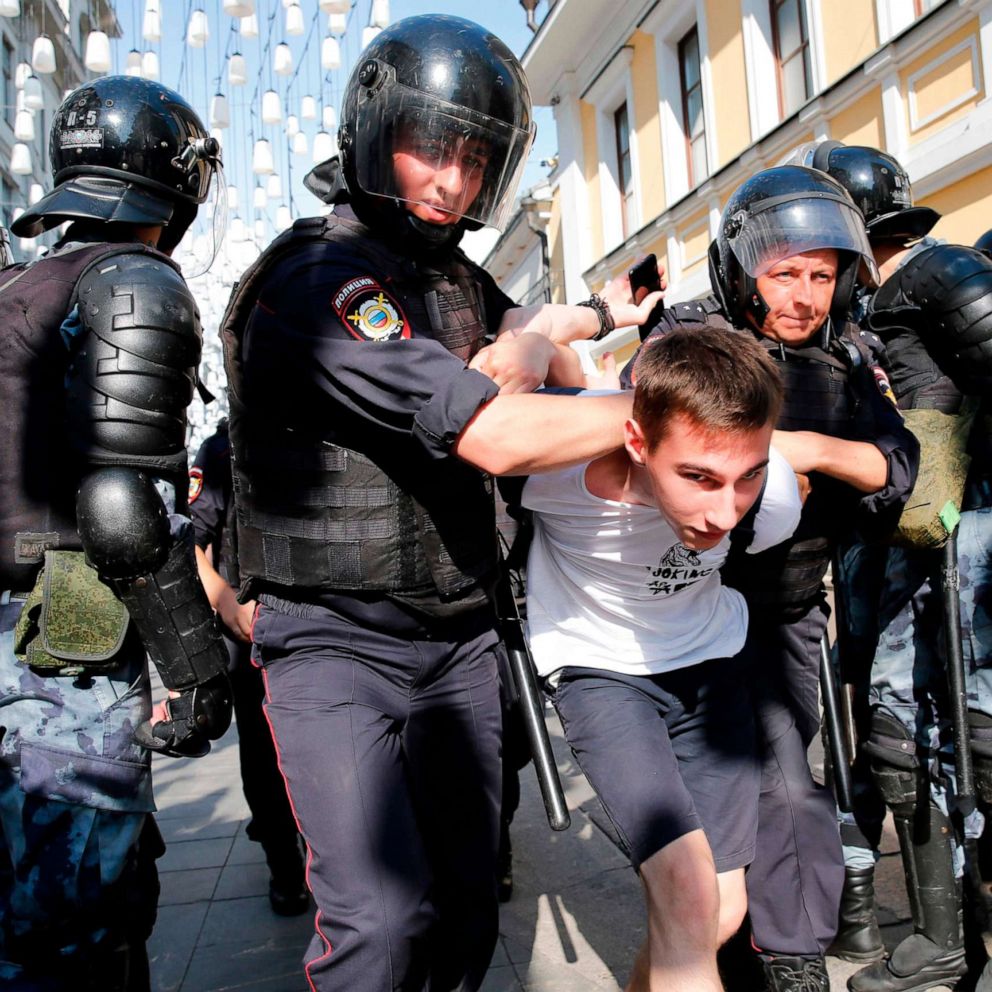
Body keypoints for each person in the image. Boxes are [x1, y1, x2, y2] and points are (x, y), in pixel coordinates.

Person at [220, 15, 663, 992]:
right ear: (376, 133)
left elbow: (539, 344)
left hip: (460, 636)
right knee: (376, 921)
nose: (452, 181)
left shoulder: (455, 276)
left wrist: (576, 324)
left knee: (468, 899)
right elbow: (496, 432)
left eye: (474, 157)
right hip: (335, 641)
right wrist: (672, 414)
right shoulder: (323, 279)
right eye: (432, 147)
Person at [624, 165, 921, 992]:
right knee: (733, 798)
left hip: (787, 610)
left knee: (787, 793)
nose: (804, 295)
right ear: (740, 268)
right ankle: (732, 949)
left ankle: (786, 959)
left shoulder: (851, 359)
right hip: (686, 609)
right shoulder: (686, 338)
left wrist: (815, 451)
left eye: (822, 274)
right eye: (783, 272)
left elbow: (898, 465)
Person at [0, 76, 231, 991]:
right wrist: (198, 665)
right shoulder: (131, 281)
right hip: (62, 647)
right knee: (72, 928)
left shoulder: (15, 284)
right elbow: (122, 509)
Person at [524, 327, 801, 991]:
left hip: (712, 667)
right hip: (600, 672)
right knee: (683, 887)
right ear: (637, 441)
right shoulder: (552, 476)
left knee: (721, 909)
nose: (722, 513)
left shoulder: (776, 497)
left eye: (746, 477)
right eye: (699, 478)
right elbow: (553, 384)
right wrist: (536, 342)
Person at [798, 141, 992, 992]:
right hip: (898, 550)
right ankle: (941, 943)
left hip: (958, 545)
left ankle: (951, 947)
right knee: (900, 736)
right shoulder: (857, 311)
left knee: (960, 737)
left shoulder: (932, 273)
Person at [188, 418, 309, 917]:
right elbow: (189, 540)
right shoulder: (223, 446)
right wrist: (224, 601)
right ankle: (284, 865)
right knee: (266, 759)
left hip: (336, 629)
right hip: (256, 631)